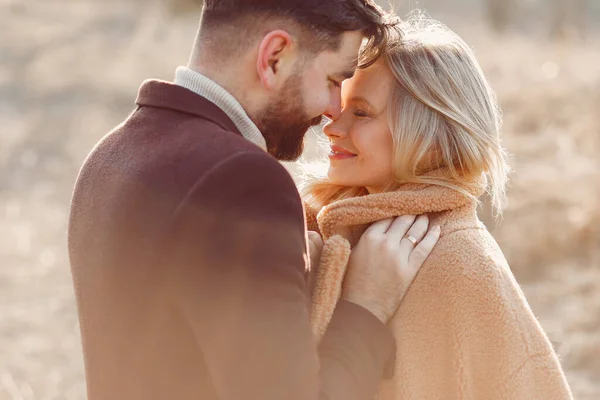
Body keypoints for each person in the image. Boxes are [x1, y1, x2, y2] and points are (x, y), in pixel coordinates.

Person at [67, 2, 442, 400]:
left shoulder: (109, 156)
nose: (334, 110)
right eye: (335, 80)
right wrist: (366, 305)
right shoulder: (244, 182)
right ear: (274, 57)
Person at [303, 13, 574, 400]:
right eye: (342, 107)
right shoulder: (314, 231)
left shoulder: (460, 263)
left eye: (360, 112)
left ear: (427, 133)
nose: (332, 126)